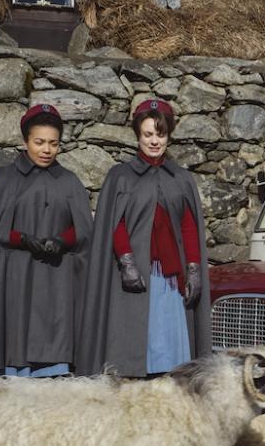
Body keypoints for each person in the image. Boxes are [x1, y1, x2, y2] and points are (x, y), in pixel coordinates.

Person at [76, 99, 211, 377]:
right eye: (148, 134)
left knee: (170, 338)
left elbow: (188, 226)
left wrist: (194, 268)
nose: (154, 141)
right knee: (136, 332)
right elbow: (116, 223)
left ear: (169, 136)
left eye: (160, 135)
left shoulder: (180, 178)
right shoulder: (120, 177)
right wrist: (126, 260)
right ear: (138, 135)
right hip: (136, 272)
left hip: (171, 277)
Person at [0, 104, 93, 377]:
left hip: (55, 278)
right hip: (14, 275)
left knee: (52, 328)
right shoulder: (2, 182)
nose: (46, 150)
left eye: (53, 143)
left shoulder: (69, 182)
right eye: (39, 142)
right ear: (25, 141)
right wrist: (23, 239)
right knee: (16, 325)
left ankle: (52, 373)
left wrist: (61, 240)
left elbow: (83, 229)